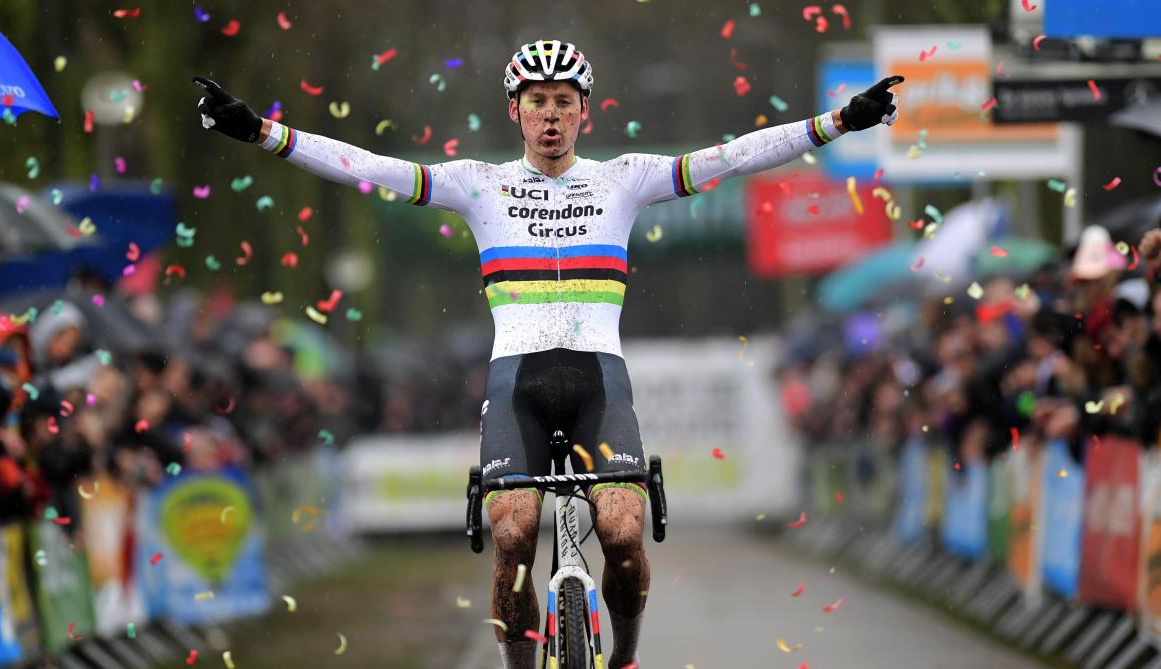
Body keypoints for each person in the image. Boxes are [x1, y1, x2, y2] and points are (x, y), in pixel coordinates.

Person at [194, 39, 902, 669]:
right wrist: (261, 131)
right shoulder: (478, 183)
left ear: (585, 111)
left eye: (564, 101)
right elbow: (370, 167)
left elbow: (731, 156)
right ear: (516, 111)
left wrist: (839, 121)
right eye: (537, 102)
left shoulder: (624, 178)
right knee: (512, 537)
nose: (551, 116)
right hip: (517, 385)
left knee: (621, 532)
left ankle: (625, 654)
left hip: (599, 383)